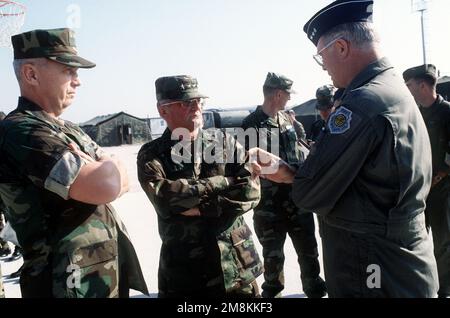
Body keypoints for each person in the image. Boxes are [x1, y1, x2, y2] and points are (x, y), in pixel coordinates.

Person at [253, 0, 439, 297]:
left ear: (341, 48)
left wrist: (294, 176)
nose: (323, 65)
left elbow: (309, 192)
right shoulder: (390, 88)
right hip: (397, 262)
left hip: (372, 268)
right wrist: (292, 171)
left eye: (321, 55)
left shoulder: (362, 104)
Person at [0, 28, 148, 298]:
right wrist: (109, 165)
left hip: (98, 276)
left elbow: (114, 180)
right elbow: (105, 186)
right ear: (31, 74)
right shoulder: (21, 131)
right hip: (63, 284)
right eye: (68, 71)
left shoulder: (67, 128)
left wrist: (109, 167)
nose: (77, 82)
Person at [137, 75, 263, 298]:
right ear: (162, 110)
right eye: (186, 102)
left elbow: (250, 191)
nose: (196, 107)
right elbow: (165, 198)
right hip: (186, 273)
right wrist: (225, 182)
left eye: (199, 101)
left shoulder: (224, 141)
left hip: (236, 266)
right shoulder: (151, 153)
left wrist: (203, 207)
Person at [242, 72, 326, 298]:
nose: (289, 99)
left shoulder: (289, 120)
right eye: (288, 94)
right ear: (278, 94)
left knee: (309, 254)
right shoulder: (252, 125)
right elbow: (260, 167)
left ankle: (315, 292)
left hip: (299, 202)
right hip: (270, 209)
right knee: (273, 260)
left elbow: (301, 150)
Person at [403, 64, 450, 298]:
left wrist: (437, 178)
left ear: (422, 85)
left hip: (443, 190)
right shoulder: (417, 114)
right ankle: (421, 284)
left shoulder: (447, 112)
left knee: (443, 242)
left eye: (409, 85)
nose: (407, 90)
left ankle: (444, 290)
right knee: (417, 239)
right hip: (420, 188)